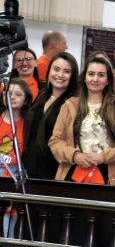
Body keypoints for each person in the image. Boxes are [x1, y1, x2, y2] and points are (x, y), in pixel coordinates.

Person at [49, 55, 115, 187]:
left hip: (111, 175)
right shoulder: (69, 106)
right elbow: (55, 141)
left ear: (108, 80)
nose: (95, 79)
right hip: (73, 172)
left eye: (101, 75)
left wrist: (105, 156)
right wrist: (75, 156)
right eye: (91, 74)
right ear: (85, 78)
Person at [24, 53, 79, 181]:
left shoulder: (74, 104)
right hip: (29, 167)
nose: (60, 75)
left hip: (53, 171)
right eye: (56, 69)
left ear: (73, 76)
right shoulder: (42, 95)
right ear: (49, 71)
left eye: (66, 71)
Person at [0, 78, 31, 178]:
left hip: (16, 174)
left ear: (26, 100)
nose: (12, 97)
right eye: (8, 93)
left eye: (18, 94)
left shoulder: (28, 124)